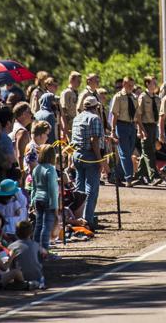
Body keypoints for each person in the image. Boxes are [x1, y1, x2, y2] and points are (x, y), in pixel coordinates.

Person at [70, 95, 104, 230]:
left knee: (80, 189)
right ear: (96, 107)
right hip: (89, 155)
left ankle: (78, 218)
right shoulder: (94, 118)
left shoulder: (77, 118)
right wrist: (99, 159)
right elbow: (94, 141)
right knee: (92, 189)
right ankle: (87, 219)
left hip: (77, 154)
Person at [109, 77, 138, 185]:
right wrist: (113, 130)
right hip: (121, 125)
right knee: (125, 153)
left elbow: (137, 115)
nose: (131, 87)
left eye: (132, 85)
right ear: (124, 84)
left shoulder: (135, 97)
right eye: (129, 85)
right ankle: (129, 178)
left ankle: (116, 175)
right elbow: (114, 115)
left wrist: (139, 128)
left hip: (131, 126)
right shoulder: (118, 97)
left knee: (128, 152)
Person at [136, 75, 162, 186]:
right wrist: (140, 130)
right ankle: (154, 176)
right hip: (145, 126)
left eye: (155, 83)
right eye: (153, 83)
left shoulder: (157, 98)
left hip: (153, 126)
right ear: (147, 84)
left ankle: (140, 175)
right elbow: (138, 116)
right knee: (148, 152)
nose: (155, 85)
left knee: (149, 150)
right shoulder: (143, 97)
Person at [8, 219, 47, 290]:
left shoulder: (11, 246)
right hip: (37, 276)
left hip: (20, 277)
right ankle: (39, 281)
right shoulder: (36, 245)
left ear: (16, 232)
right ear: (31, 233)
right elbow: (44, 253)